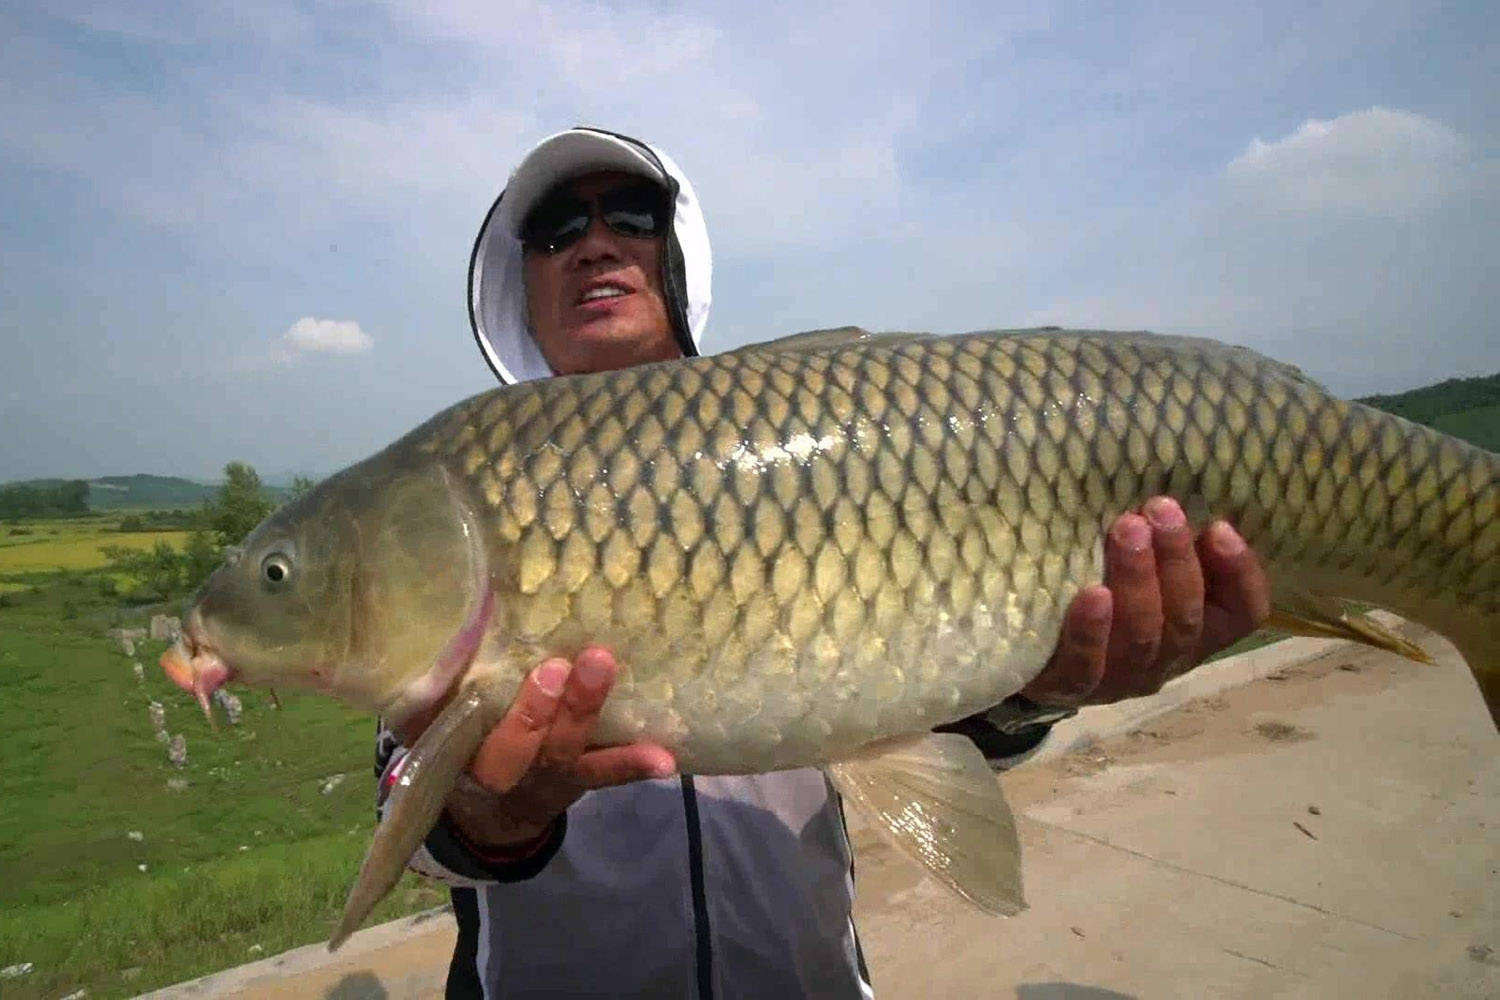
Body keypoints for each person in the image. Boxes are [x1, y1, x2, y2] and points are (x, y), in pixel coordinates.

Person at [374, 127, 1271, 998]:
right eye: (556, 230)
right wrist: (492, 816)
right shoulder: (468, 496)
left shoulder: (835, 445)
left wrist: (1047, 687)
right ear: (519, 284)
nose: (596, 245)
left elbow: (944, 709)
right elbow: (413, 834)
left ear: (678, 254)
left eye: (632, 217)